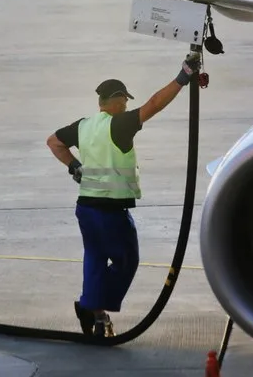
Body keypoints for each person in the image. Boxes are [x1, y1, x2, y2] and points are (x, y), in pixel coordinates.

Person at [46, 51, 202, 337]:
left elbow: (53, 142)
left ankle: (93, 311)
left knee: (94, 257)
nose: (127, 104)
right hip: (111, 211)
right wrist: (183, 78)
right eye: (125, 100)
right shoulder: (120, 124)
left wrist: (74, 166)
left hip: (86, 209)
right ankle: (92, 307)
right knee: (126, 259)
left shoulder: (83, 126)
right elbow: (154, 104)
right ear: (117, 100)